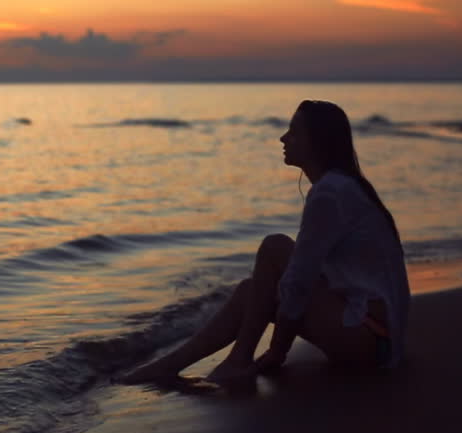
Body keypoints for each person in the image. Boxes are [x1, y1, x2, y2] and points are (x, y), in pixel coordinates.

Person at [118, 100, 410, 384]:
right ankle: (172, 365)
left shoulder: (330, 192)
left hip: (369, 339)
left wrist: (277, 351)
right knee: (251, 290)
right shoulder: (340, 186)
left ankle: (237, 360)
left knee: (274, 247)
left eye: (294, 132)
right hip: (371, 335)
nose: (283, 138)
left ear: (317, 141)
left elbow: (300, 281)